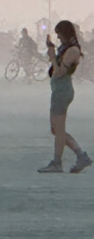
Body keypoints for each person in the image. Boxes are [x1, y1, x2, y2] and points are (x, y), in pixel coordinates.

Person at [39, 20, 92, 173]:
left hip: (63, 91)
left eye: (59, 35)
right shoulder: (66, 49)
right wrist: (52, 51)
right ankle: (81, 156)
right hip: (58, 90)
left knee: (59, 129)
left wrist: (51, 56)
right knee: (56, 129)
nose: (58, 38)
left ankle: (57, 162)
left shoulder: (73, 50)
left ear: (65, 34)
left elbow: (60, 72)